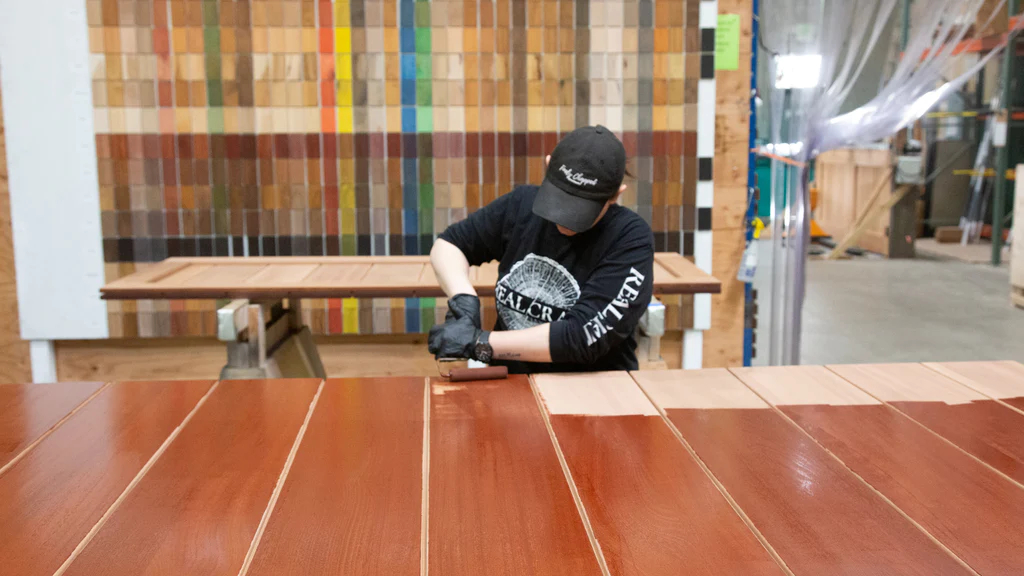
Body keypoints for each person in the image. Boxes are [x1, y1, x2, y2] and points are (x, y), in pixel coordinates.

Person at [428, 125, 655, 374]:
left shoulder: (630, 239)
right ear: (547, 167)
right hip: (513, 388)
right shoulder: (520, 205)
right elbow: (450, 244)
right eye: (560, 199)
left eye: (582, 209)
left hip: (594, 394)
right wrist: (463, 298)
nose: (565, 219)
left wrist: (480, 342)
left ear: (616, 195)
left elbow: (580, 337)